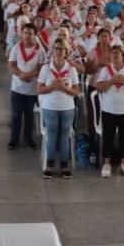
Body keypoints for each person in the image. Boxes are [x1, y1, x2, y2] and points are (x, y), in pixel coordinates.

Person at [93, 44, 124, 177]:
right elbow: (98, 88)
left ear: (123, 56)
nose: (114, 56)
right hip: (109, 109)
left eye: (117, 53)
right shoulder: (106, 70)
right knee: (108, 136)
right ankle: (107, 163)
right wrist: (111, 81)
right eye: (112, 53)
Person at [37, 37, 80, 179]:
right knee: (51, 135)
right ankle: (49, 164)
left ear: (66, 52)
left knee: (64, 136)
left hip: (67, 107)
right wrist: (52, 87)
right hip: (50, 106)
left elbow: (76, 91)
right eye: (56, 48)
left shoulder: (71, 69)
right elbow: (39, 89)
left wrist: (64, 89)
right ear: (53, 50)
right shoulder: (46, 68)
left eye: (61, 49)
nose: (58, 51)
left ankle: (64, 164)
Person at [6, 23, 43, 150]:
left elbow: (41, 68)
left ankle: (28, 138)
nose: (27, 36)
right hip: (17, 88)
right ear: (22, 34)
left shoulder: (40, 50)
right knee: (16, 115)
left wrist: (28, 75)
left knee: (29, 115)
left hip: (32, 89)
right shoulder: (16, 48)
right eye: (25, 33)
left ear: (35, 35)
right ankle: (14, 139)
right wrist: (21, 75)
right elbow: (11, 65)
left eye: (30, 33)